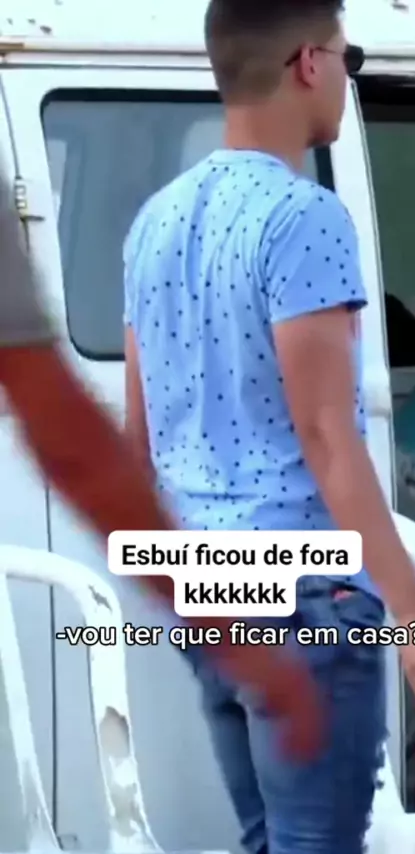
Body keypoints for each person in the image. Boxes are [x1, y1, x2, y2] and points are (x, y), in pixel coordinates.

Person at [124, 1, 415, 852]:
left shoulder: (154, 223)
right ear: (309, 64)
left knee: (269, 840)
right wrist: (414, 617)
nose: (347, 77)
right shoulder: (305, 217)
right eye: (348, 58)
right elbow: (326, 436)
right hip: (305, 592)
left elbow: (140, 435)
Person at [0, 162, 323, 761]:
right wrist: (238, 642)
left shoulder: (150, 232)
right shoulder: (312, 226)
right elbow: (67, 436)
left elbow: (123, 438)